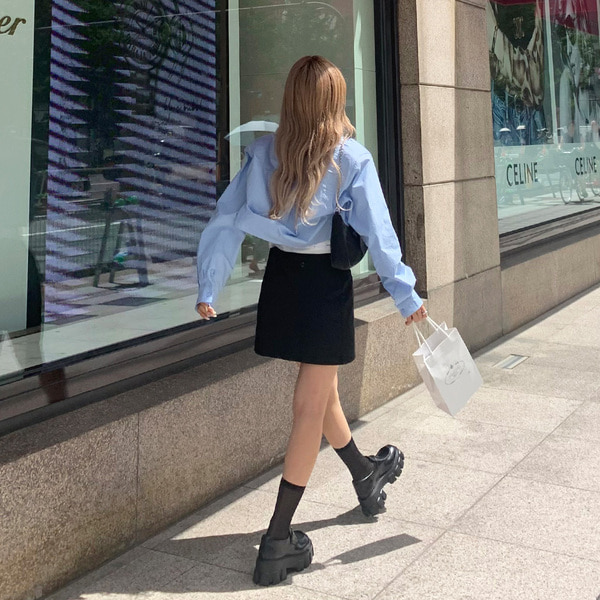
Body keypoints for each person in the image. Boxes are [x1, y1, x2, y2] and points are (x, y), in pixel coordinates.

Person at [195, 55, 427, 587]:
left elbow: (226, 218)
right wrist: (405, 293)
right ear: (333, 101)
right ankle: (277, 541)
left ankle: (365, 475)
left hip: (282, 281)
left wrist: (209, 284)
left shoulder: (264, 152)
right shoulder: (350, 158)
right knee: (308, 406)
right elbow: (381, 234)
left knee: (324, 397)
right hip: (324, 287)